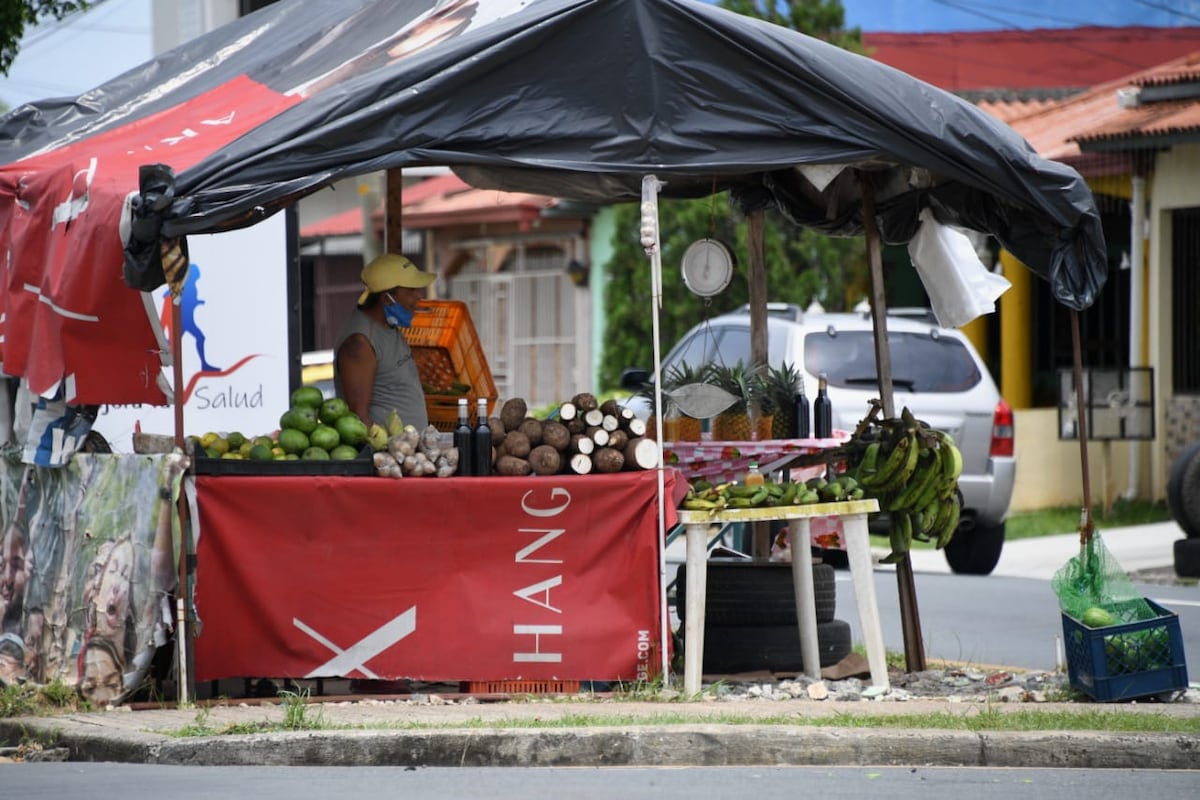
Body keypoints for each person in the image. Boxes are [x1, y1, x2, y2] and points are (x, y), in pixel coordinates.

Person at [335, 253, 436, 429]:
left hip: (411, 452)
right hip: (387, 454)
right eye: (411, 290)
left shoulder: (389, 327)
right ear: (386, 298)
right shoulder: (359, 343)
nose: (419, 296)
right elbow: (358, 418)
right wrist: (390, 451)